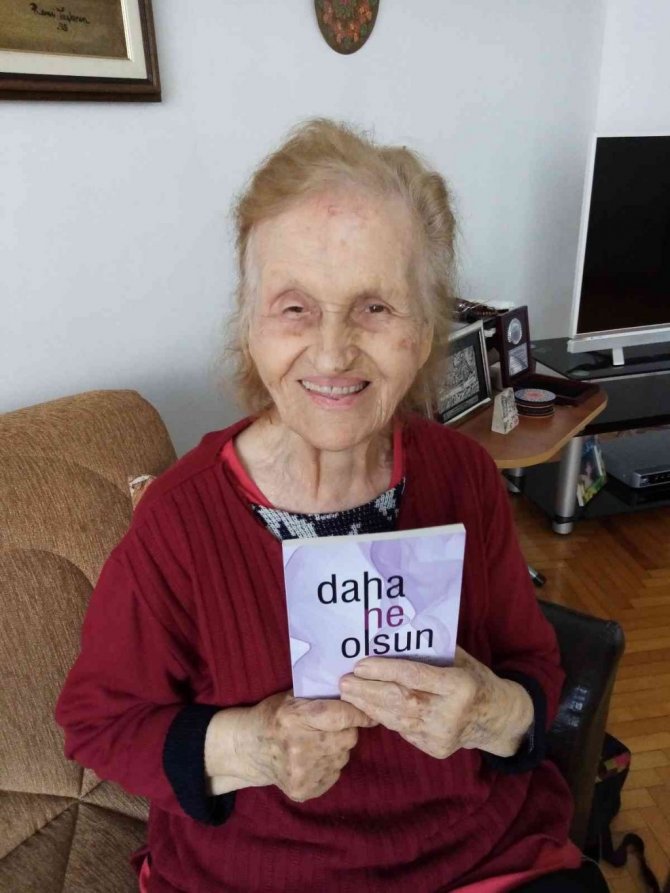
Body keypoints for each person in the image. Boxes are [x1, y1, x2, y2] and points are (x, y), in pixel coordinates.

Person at [55, 119, 609, 893]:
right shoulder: (182, 518)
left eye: (375, 307)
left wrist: (487, 711)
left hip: (480, 860)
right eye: (295, 308)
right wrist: (253, 744)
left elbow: (533, 668)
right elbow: (99, 723)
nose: (331, 351)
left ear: (426, 331)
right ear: (250, 325)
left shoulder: (463, 475)